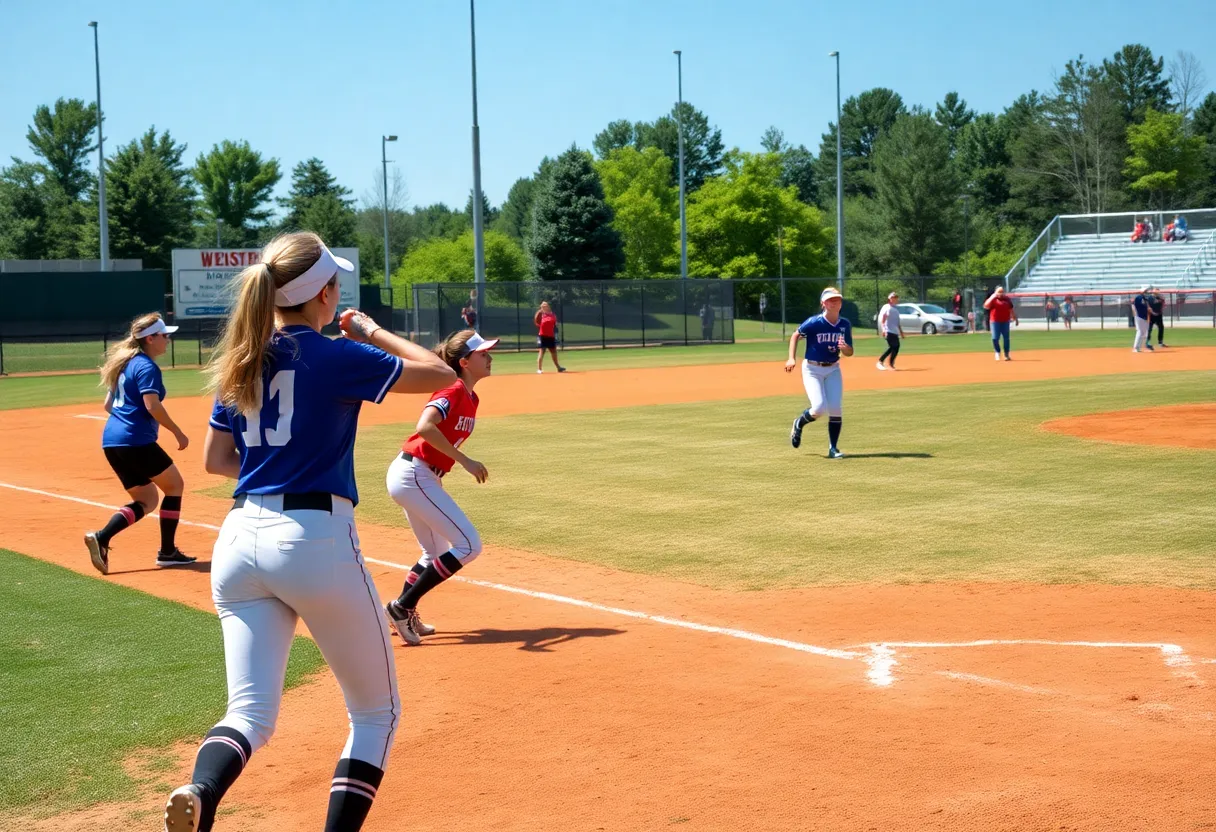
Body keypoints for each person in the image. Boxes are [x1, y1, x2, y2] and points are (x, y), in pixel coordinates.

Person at [162, 232, 456, 832]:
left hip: (241, 538)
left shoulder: (242, 358)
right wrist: (367, 330)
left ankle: (201, 789)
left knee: (249, 712)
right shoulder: (334, 353)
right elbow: (439, 372)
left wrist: (281, 456)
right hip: (314, 538)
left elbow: (218, 462)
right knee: (377, 714)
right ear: (325, 293)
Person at [384, 329, 496, 646]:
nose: (490, 357)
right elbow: (425, 426)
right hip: (414, 473)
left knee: (433, 552)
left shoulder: (470, 396)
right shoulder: (453, 389)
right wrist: (465, 460)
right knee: (469, 546)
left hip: (418, 475)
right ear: (465, 361)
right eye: (483, 353)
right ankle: (400, 607)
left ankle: (405, 611)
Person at [85, 313, 193, 574]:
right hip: (135, 441)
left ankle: (102, 537)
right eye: (164, 335)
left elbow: (108, 405)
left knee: (146, 499)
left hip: (112, 441)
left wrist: (125, 422)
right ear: (150, 338)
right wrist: (178, 432)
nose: (168, 340)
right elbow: (152, 405)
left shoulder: (124, 364)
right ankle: (168, 552)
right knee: (175, 485)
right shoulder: (145, 366)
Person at [785, 287, 854, 459]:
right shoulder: (814, 322)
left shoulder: (844, 324)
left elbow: (850, 352)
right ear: (823, 303)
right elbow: (795, 335)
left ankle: (833, 448)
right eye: (830, 299)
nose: (834, 301)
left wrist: (845, 348)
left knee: (836, 409)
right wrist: (791, 358)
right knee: (819, 408)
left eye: (837, 299)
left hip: (833, 369)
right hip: (812, 369)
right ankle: (799, 423)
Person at [983, 286, 1018, 361]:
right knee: (995, 338)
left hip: (1005, 321)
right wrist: (992, 297)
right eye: (999, 292)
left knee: (1006, 338)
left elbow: (1011, 309)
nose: (1001, 293)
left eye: (1002, 292)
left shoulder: (1007, 299)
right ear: (996, 292)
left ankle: (1006, 354)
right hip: (995, 321)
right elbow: (986, 306)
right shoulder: (993, 299)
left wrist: (1015, 318)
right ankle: (997, 351)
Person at [534, 301, 566, 374]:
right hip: (542, 336)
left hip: (550, 336)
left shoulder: (552, 315)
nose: (545, 306)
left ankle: (558, 368)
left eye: (546, 305)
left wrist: (556, 324)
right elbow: (536, 321)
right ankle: (539, 369)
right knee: (542, 352)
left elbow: (555, 323)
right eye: (543, 305)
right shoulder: (541, 314)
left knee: (554, 352)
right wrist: (540, 311)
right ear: (541, 306)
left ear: (548, 306)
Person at [875, 291, 904, 371]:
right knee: (893, 346)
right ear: (889, 299)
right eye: (893, 298)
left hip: (894, 331)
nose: (895, 299)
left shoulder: (896, 310)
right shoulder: (887, 307)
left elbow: (897, 323)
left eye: (896, 298)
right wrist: (884, 330)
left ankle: (888, 363)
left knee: (895, 347)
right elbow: (883, 320)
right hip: (888, 331)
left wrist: (901, 332)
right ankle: (882, 362)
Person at [1131, 284, 1153, 353]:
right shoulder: (1139, 298)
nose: (1148, 292)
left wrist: (1148, 308)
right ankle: (1135, 347)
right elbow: (1135, 306)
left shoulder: (1144, 298)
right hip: (1139, 316)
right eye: (1146, 291)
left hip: (1144, 317)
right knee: (1140, 331)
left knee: (1144, 333)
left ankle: (1138, 348)